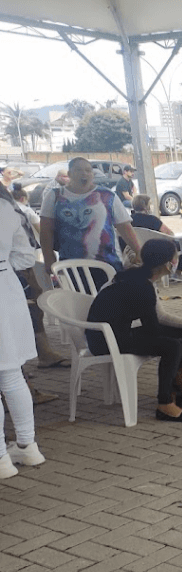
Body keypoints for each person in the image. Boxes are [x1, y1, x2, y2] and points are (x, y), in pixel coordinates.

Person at [86, 239, 182, 423]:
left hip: (116, 333)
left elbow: (160, 317)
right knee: (172, 347)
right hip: (105, 340)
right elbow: (153, 330)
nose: (177, 261)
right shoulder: (141, 287)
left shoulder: (137, 277)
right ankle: (165, 403)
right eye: (175, 258)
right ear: (167, 264)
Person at [0, 182, 46, 480]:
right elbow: (27, 257)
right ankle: (28, 447)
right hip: (7, 289)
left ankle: (2, 460)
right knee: (11, 372)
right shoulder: (7, 209)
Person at [40, 157, 141, 283]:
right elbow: (45, 230)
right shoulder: (54, 196)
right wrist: (48, 257)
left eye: (88, 170)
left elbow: (124, 227)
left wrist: (139, 251)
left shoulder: (108, 196)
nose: (84, 174)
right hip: (70, 266)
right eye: (78, 170)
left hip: (108, 263)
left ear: (92, 175)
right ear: (70, 174)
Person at [9, 186, 65, 368]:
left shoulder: (11, 206)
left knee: (34, 309)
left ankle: (43, 353)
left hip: (23, 265)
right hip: (14, 268)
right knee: (23, 313)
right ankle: (20, 369)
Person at [130, 194, 182, 280]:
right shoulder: (153, 220)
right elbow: (170, 234)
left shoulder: (129, 220)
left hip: (134, 250)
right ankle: (177, 273)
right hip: (156, 250)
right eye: (150, 204)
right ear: (146, 206)